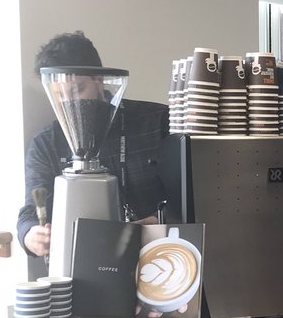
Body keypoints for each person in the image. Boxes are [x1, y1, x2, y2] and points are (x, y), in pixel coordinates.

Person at [18, 31, 170, 257]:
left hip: (159, 257)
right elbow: (30, 212)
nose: (70, 103)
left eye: (78, 90)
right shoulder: (46, 144)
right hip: (78, 266)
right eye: (60, 95)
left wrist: (159, 221)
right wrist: (30, 236)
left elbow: (190, 200)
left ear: (100, 80)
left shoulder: (156, 122)